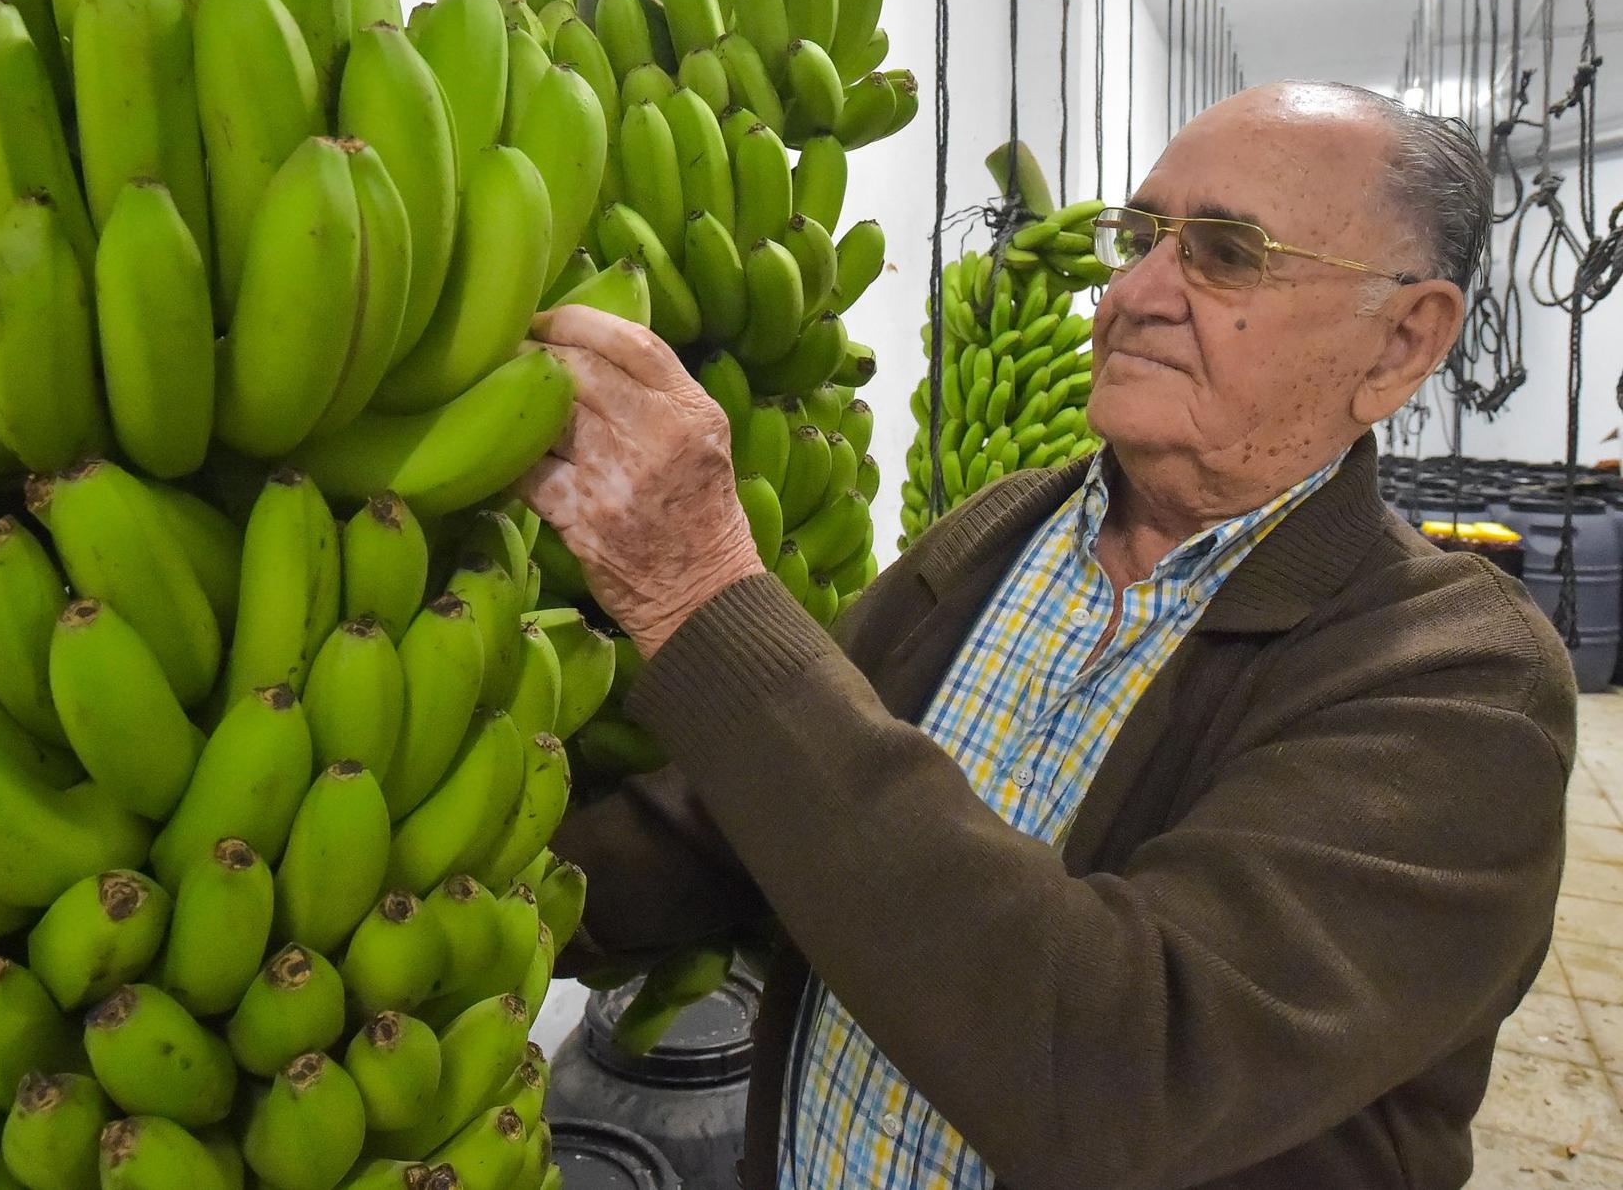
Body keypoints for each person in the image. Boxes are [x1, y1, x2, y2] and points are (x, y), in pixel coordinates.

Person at [520, 80, 1578, 1190]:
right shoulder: (1004, 527)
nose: (1135, 291)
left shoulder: (1459, 683)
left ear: (1402, 342)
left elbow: (1125, 1070)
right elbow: (746, 811)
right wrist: (472, 905)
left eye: (1225, 252)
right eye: (1138, 236)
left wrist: (698, 592)